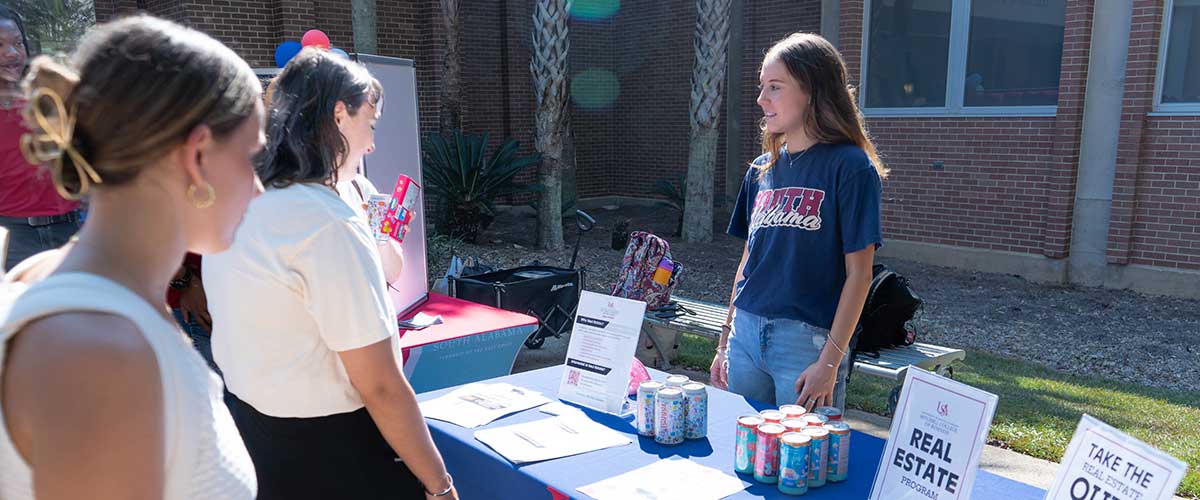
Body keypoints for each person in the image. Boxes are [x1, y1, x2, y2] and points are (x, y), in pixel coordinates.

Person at [0, 15, 262, 499]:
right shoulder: (103, 355)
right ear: (196, 156)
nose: (258, 187)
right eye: (250, 157)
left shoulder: (45, 279)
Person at [203, 48, 456, 500]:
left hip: (254, 436)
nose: (373, 144)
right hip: (329, 453)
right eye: (371, 125)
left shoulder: (239, 199)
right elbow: (379, 384)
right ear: (339, 115)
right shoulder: (326, 222)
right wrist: (440, 485)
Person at [710, 33, 886, 411]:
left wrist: (830, 361)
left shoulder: (850, 167)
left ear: (812, 90)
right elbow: (747, 263)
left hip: (805, 343)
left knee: (802, 466)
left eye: (775, 87)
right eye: (761, 87)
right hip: (745, 334)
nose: (761, 99)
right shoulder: (761, 170)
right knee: (746, 458)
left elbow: (860, 275)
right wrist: (724, 341)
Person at [0, 6, 81, 271]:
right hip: (13, 241)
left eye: (17, 43)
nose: (11, 53)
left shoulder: (48, 99)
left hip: (70, 230)